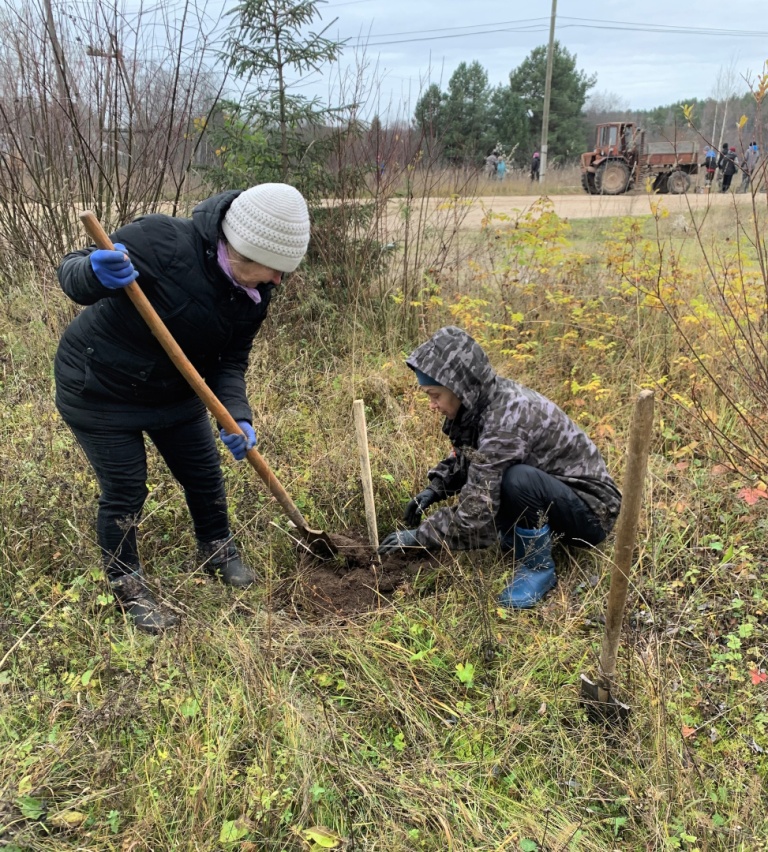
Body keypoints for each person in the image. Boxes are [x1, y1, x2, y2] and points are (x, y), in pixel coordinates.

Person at [55, 184, 311, 633]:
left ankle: (216, 549)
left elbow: (230, 361)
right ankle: (127, 584)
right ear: (245, 249)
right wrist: (94, 273)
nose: (277, 282)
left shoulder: (252, 297)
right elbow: (71, 272)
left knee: (204, 474)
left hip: (173, 392)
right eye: (274, 270)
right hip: (99, 388)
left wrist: (238, 415)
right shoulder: (161, 240)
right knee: (126, 488)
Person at [377, 326, 621, 609]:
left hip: (593, 514)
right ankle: (518, 534)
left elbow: (475, 514)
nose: (432, 405)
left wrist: (419, 536)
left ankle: (537, 568)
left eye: (434, 394)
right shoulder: (482, 402)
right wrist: (435, 489)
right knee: (506, 478)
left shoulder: (506, 418)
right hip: (561, 494)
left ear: (459, 388)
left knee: (517, 480)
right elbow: (474, 458)